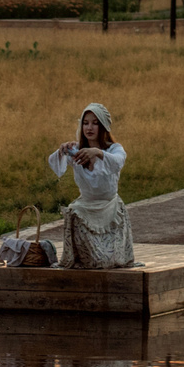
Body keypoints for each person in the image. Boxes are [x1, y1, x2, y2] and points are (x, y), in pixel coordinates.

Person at [46, 103, 133, 270]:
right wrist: (62, 150)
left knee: (106, 262)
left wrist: (98, 153)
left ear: (103, 126)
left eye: (95, 123)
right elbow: (54, 161)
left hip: (109, 206)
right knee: (74, 212)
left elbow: (117, 162)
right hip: (86, 205)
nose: (89, 127)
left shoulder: (114, 149)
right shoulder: (78, 150)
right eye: (85, 123)